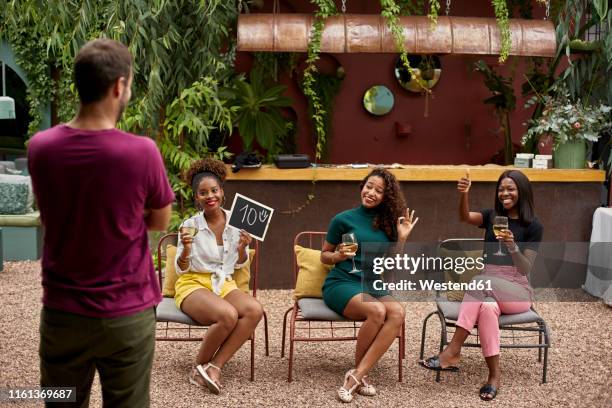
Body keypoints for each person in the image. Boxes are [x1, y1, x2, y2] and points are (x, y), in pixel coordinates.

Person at [27, 39, 174, 407]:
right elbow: (160, 219)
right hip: (127, 314)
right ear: (118, 86)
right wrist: (126, 213)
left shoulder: (41, 147)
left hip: (63, 313)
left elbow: (54, 214)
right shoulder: (142, 152)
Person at [420, 169, 543, 401]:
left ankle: (453, 350)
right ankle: (494, 377)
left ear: (522, 191)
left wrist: (513, 247)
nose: (504, 193)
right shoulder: (491, 216)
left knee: (479, 281)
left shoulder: (533, 225)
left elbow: (526, 269)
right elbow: (465, 217)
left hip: (516, 289)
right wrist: (464, 194)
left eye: (511, 189)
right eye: (501, 189)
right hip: (488, 285)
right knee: (486, 309)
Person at [320, 168, 418, 403]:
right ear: (362, 187)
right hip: (342, 282)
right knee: (377, 311)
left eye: (379, 190)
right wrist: (338, 256)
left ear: (387, 196)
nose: (371, 192)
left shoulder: (389, 223)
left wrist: (402, 238)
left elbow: (392, 264)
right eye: (369, 186)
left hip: (372, 283)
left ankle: (357, 374)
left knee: (398, 313)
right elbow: (324, 255)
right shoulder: (343, 219)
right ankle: (358, 376)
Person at [175, 158, 264, 395]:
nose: (210, 196)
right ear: (197, 198)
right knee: (227, 315)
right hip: (193, 283)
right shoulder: (189, 225)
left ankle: (215, 366)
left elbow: (238, 264)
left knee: (255, 310)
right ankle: (197, 367)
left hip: (223, 281)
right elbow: (181, 269)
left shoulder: (238, 221)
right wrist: (184, 248)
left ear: (222, 192)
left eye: (214, 190)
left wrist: (244, 247)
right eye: (203, 193)